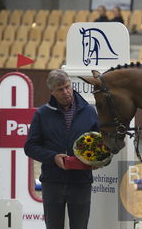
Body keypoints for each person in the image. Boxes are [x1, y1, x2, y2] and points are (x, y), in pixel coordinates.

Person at [24, 69, 99, 229]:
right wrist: (53, 157)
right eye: (60, 89)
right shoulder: (42, 114)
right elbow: (30, 147)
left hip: (81, 182)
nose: (66, 92)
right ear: (52, 92)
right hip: (52, 183)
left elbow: (99, 144)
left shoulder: (89, 111)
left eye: (67, 86)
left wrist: (98, 160)